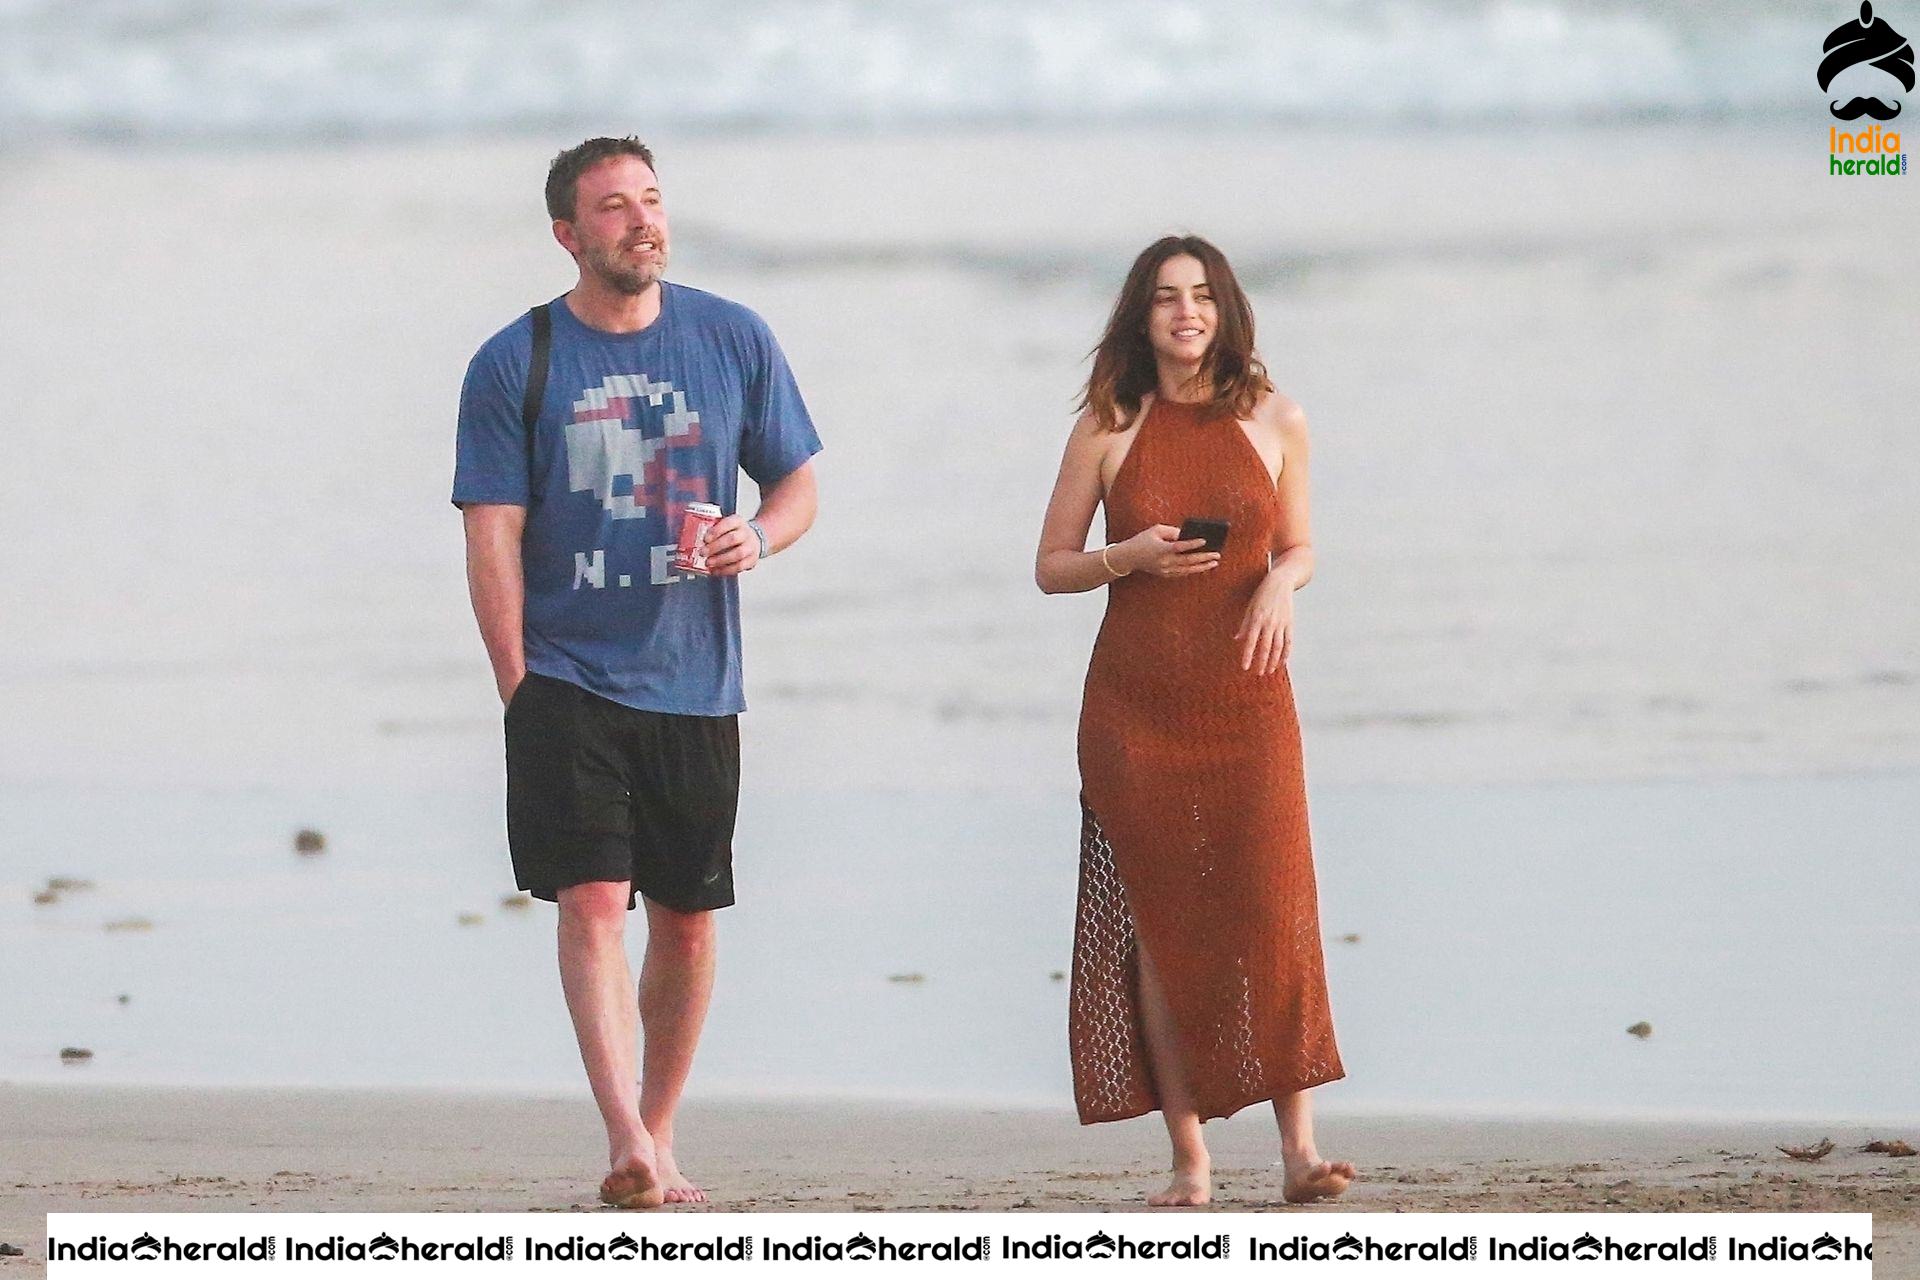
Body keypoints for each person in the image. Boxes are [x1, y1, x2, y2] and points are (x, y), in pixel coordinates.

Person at [452, 136, 822, 1208]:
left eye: (650, 200)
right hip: (564, 673)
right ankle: (624, 1134)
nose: (640, 220)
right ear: (569, 233)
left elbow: (797, 484)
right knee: (592, 899)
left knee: (690, 914)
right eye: (613, 207)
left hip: (696, 673)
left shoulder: (731, 337)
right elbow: (491, 532)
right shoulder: (512, 361)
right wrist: (518, 683)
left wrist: (758, 537)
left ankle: (660, 1132)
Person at [1035, 235, 1355, 1207]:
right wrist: (1121, 555)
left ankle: (1300, 1150)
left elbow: (1301, 545)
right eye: (1168, 297)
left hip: (1250, 699)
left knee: (1272, 909)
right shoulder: (1108, 423)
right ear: (1142, 315)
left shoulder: (1276, 417)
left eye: (1202, 296)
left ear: (1225, 312)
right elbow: (1051, 564)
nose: (1186, 312)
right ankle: (1192, 1163)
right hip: (1136, 711)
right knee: (1165, 932)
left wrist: (1279, 587)